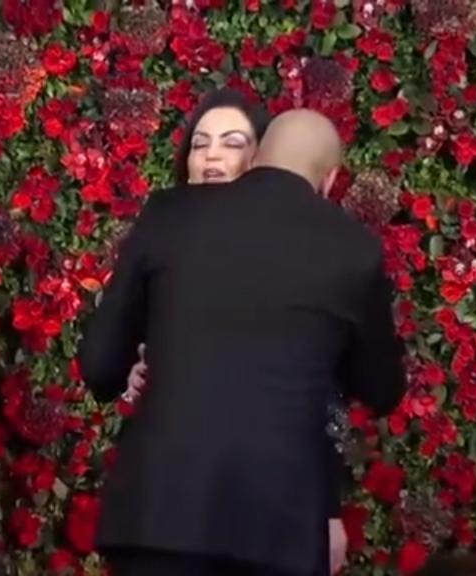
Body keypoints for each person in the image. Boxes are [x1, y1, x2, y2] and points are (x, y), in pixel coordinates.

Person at [79, 109, 407, 576]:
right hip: (277, 528)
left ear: (256, 157)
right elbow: (381, 387)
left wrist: (129, 370)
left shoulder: (170, 213)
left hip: (157, 516)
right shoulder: (352, 249)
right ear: (330, 179)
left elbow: (99, 363)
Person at [122, 90, 353, 574]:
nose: (212, 157)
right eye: (200, 144)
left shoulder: (298, 253)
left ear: (263, 161)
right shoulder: (158, 244)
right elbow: (118, 350)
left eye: (232, 143)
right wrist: (134, 370)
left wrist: (328, 510)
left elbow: (320, 393)